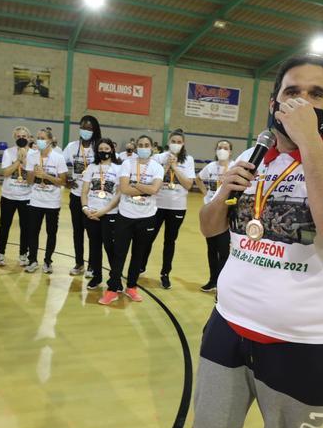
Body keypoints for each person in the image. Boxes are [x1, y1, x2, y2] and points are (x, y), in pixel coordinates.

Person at [186, 54, 323, 428]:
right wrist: (224, 191)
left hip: (303, 341)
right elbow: (209, 228)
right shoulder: (255, 157)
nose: (301, 101)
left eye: (316, 94)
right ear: (273, 102)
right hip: (229, 323)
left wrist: (310, 140)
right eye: (291, 92)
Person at [98, 135, 164, 305]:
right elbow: (125, 189)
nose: (143, 147)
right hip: (125, 216)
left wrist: (136, 185)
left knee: (138, 254)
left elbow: (155, 190)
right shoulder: (127, 164)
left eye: (146, 145)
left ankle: (132, 287)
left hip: (147, 218)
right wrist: (145, 189)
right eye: (140, 145)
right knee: (119, 254)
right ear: (136, 148)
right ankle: (112, 289)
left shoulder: (157, 167)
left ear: (152, 148)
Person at [141, 128, 195, 288]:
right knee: (148, 238)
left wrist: (176, 168)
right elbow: (152, 182)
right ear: (168, 142)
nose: (176, 144)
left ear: (183, 144)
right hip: (156, 206)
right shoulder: (158, 158)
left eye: (179, 142)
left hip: (177, 207)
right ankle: (140, 266)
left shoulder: (188, 160)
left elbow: (188, 185)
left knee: (169, 241)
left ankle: (165, 273)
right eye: (173, 141)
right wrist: (166, 166)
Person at [80, 138, 122, 290]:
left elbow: (119, 194)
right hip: (91, 213)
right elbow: (84, 191)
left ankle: (115, 280)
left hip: (110, 214)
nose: (103, 152)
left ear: (112, 150)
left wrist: (104, 211)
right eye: (101, 149)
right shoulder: (92, 167)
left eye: (107, 149)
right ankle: (97, 277)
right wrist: (85, 209)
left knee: (111, 248)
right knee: (94, 246)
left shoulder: (119, 168)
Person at [24, 129, 67, 274]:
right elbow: (29, 181)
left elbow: (62, 181)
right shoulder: (32, 157)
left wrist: (45, 175)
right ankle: (32, 260)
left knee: (51, 233)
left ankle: (48, 261)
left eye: (42, 138)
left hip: (52, 202)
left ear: (49, 140)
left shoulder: (58, 158)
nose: (39, 141)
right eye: (38, 138)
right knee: (33, 232)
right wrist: (31, 172)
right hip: (36, 201)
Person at [195, 140, 233, 292]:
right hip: (211, 211)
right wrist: (205, 194)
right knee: (211, 248)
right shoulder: (211, 167)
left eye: (225, 148)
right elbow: (198, 179)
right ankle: (212, 280)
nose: (222, 150)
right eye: (219, 147)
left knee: (224, 250)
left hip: (227, 213)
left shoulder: (234, 166)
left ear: (230, 152)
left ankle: (222, 283)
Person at [63, 115, 99, 276]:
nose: (86, 130)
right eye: (83, 127)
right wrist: (66, 181)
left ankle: (92, 265)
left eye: (89, 128)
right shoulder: (71, 147)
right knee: (77, 231)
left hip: (94, 198)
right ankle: (79, 263)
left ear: (95, 130)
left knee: (93, 233)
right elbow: (61, 165)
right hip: (76, 195)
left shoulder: (99, 146)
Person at [0, 126, 34, 267]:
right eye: (18, 136)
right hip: (9, 196)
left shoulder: (35, 154)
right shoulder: (8, 152)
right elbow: (5, 173)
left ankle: (23, 254)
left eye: (24, 136)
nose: (21, 139)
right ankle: (0, 253)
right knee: (4, 226)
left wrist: (25, 160)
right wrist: (18, 160)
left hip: (27, 196)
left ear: (29, 138)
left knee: (26, 228)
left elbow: (32, 176)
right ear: (15, 138)